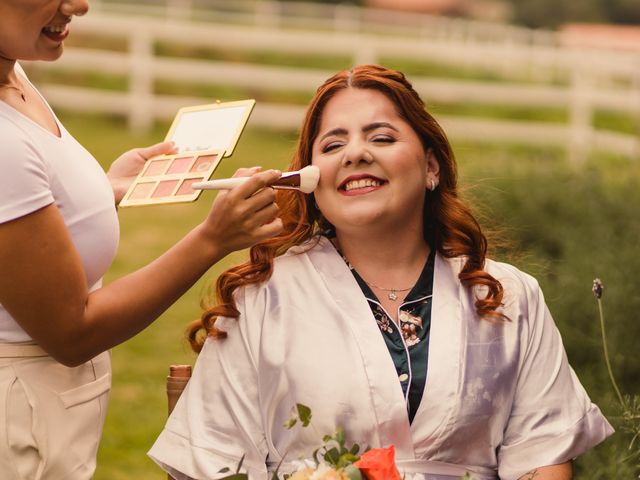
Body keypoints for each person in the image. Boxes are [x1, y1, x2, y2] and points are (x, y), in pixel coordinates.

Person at [148, 65, 614, 480]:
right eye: (333, 144)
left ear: (431, 166)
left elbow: (541, 455)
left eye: (382, 137)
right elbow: (211, 462)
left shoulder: (509, 296)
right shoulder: (263, 297)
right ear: (311, 178)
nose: (355, 154)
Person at [0, 1, 284, 478]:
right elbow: (72, 332)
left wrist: (101, 190)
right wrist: (212, 240)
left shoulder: (15, 74)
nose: (79, 5)